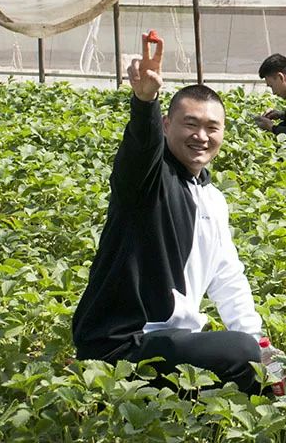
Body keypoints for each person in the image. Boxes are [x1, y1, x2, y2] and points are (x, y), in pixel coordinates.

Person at [72, 32, 271, 394]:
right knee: (240, 354)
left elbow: (228, 276)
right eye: (190, 124)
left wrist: (260, 344)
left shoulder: (212, 198)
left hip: (170, 340)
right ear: (166, 125)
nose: (201, 136)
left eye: (212, 127)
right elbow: (140, 150)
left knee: (255, 358)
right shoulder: (148, 181)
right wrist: (145, 102)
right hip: (122, 343)